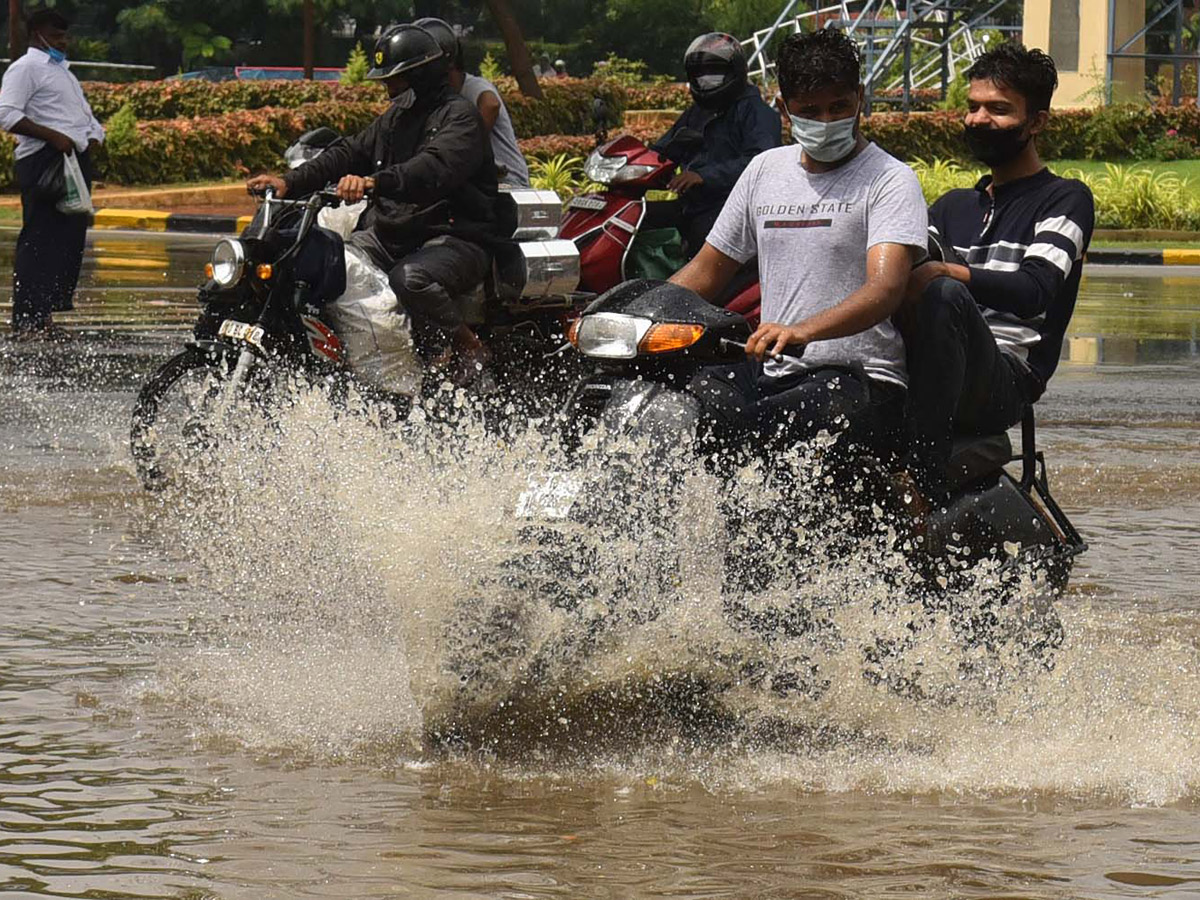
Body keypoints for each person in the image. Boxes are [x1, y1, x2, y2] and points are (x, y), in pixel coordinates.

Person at [670, 28, 928, 459]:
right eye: (811, 111)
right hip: (773, 371)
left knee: (752, 431)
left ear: (859, 99)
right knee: (686, 402)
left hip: (859, 380)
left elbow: (884, 289)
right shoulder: (764, 170)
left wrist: (802, 331)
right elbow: (707, 271)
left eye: (839, 107)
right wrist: (636, 312)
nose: (827, 122)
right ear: (785, 109)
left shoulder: (890, 180)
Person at [246, 24, 502, 377]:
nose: (387, 89)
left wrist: (372, 183)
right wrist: (288, 181)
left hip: (456, 236)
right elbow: (348, 152)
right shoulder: (395, 119)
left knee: (409, 279)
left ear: (421, 74)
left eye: (394, 80)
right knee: (326, 262)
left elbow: (431, 169)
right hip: (393, 232)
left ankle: (465, 345)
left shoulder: (460, 118)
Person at [900, 44, 1094, 501]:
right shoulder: (950, 207)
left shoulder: (1064, 200)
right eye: (972, 107)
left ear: (1037, 122)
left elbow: (1035, 290)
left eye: (998, 109)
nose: (979, 119)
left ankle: (921, 487)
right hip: (928, 365)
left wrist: (946, 273)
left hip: (1005, 378)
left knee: (944, 293)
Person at [0, 8, 105, 340]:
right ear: (37, 36)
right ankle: (27, 320)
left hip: (73, 159)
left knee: (66, 241)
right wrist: (52, 136)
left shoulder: (64, 72)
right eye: (57, 36)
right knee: (39, 240)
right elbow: (7, 114)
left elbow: (84, 117)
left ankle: (44, 317)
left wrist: (93, 137)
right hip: (45, 160)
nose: (63, 42)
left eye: (65, 36)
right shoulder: (26, 68)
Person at [645, 33, 780, 258]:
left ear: (734, 71)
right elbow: (664, 150)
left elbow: (762, 163)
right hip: (693, 203)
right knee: (640, 221)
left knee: (702, 237)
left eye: (714, 72)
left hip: (731, 209)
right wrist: (638, 164)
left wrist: (704, 176)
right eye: (699, 74)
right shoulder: (697, 113)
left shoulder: (757, 113)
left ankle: (699, 292)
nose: (706, 79)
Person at [415, 17, 530, 187]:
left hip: (507, 182)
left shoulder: (473, 86)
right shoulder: (436, 99)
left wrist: (464, 142)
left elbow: (491, 104)